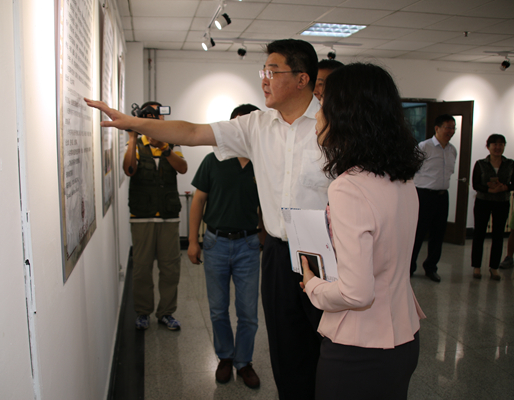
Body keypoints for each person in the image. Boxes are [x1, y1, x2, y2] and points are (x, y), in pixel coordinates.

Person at [85, 38, 331, 400]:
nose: (264, 79)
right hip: (279, 255)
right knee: (284, 348)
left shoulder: (333, 125)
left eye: (272, 71)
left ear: (301, 78)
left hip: (325, 254)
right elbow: (191, 132)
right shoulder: (256, 126)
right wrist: (132, 123)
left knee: (329, 346)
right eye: (263, 71)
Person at [300, 62, 426, 400]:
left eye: (323, 105)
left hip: (359, 350)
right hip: (403, 337)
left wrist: (312, 285)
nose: (317, 115)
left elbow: (357, 293)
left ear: (346, 115)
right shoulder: (402, 178)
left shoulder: (349, 187)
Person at [188, 104, 263, 389]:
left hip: (248, 245)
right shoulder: (213, 160)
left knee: (248, 312)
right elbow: (198, 201)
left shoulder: (262, 162)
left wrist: (264, 237)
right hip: (215, 243)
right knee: (218, 309)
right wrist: (192, 241)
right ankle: (225, 357)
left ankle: (243, 362)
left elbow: (268, 203)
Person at [122, 101, 188, 331]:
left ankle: (166, 313)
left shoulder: (173, 143)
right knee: (142, 268)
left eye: (157, 116)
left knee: (170, 268)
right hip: (142, 216)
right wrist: (133, 137)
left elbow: (182, 168)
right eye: (148, 116)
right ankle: (143, 312)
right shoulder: (135, 143)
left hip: (168, 217)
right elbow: (129, 170)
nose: (153, 120)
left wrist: (165, 148)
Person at [410, 114, 458, 282]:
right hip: (424, 195)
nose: (451, 131)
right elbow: (411, 169)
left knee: (438, 234)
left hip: (442, 196)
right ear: (437, 128)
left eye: (453, 128)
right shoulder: (424, 147)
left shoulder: (452, 150)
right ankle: (409, 267)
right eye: (448, 127)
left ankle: (431, 267)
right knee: (418, 233)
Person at [471, 134, 514, 281]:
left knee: (498, 235)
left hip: (502, 202)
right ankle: (476, 266)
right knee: (479, 234)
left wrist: (504, 187)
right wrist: (489, 190)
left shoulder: (510, 164)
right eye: (494, 144)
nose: (498, 147)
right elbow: (476, 184)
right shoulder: (481, 164)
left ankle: (494, 267)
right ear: (488, 146)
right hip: (483, 201)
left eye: (501, 144)